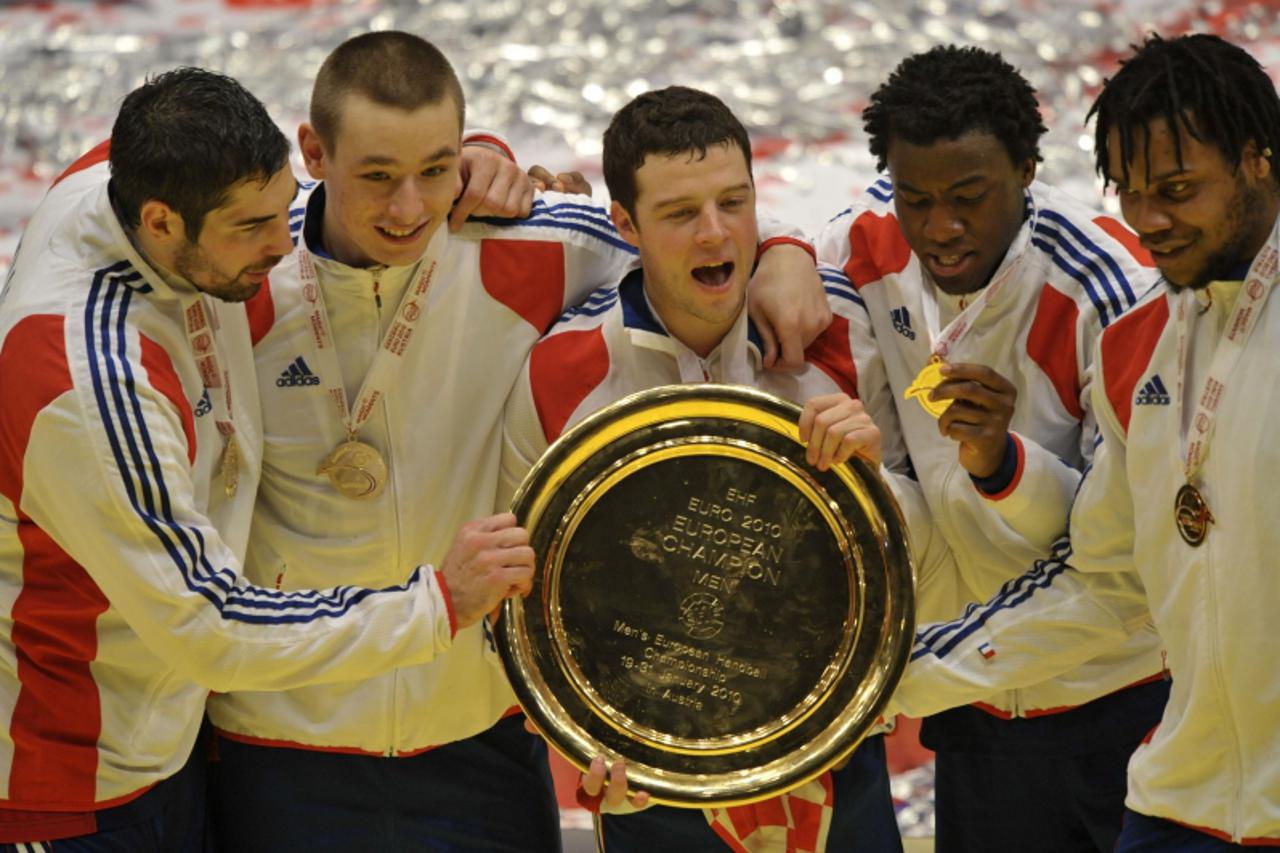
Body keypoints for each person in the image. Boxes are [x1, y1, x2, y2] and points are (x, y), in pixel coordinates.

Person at [206, 33, 830, 852]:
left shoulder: (527, 245)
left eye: (435, 169)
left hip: (480, 741)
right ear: (314, 152)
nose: (409, 208)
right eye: (377, 176)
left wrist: (786, 250)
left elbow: (690, 224)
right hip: (277, 747)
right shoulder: (238, 277)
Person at [0, 67, 535, 851]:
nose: (282, 245)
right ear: (159, 222)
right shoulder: (89, 380)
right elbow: (210, 625)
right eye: (250, 228)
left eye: (281, 206)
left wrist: (470, 161)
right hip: (76, 777)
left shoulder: (125, 170)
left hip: (161, 739)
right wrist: (437, 604)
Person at [500, 84, 942, 853]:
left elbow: (935, 546)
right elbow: (519, 600)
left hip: (835, 756)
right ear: (626, 226)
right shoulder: (555, 373)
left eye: (734, 203)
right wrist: (578, 736)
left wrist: (879, 487)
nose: (715, 234)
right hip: (651, 784)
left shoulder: (839, 329)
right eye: (679, 214)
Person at [891, 32, 1280, 849]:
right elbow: (1105, 581)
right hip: (1184, 800)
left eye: (1178, 188)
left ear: (1259, 160)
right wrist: (891, 675)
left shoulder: (1100, 292)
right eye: (1131, 191)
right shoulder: (1137, 341)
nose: (1150, 220)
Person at [813, 45, 1169, 851]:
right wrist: (783, 260)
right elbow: (766, 228)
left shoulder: (1108, 286)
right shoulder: (863, 248)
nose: (941, 228)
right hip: (973, 716)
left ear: (1028, 169)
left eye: (970, 197)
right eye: (917, 198)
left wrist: (999, 463)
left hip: (1116, 700)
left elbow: (1117, 561)